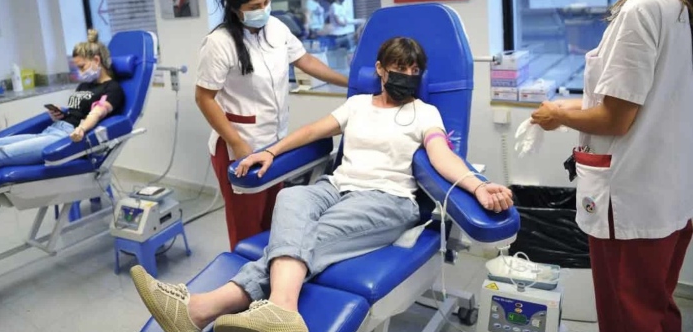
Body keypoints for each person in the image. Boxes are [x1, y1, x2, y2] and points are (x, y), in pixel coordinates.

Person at [134, 37, 514, 332]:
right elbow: (314, 130)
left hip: (387, 199)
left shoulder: (423, 112)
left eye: (414, 71)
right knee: (293, 197)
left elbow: (442, 155)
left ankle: (209, 309)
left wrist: (477, 186)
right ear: (380, 70)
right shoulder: (358, 105)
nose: (407, 77)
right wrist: (271, 151)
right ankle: (273, 312)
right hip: (336, 187)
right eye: (399, 69)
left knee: (308, 237)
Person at [531, 0, 693, 331]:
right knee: (656, 308)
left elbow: (616, 118)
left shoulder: (642, 8)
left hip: (630, 198)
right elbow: (646, 96)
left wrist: (559, 115)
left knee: (627, 318)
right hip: (670, 194)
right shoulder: (678, 1)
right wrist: (572, 105)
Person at [195, 0, 349, 251]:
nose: (264, 9)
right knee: (246, 229)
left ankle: (268, 284)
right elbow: (204, 98)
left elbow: (307, 62)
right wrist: (237, 142)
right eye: (255, 6)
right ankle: (244, 292)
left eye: (266, 2)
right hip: (237, 146)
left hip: (273, 145)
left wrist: (349, 82)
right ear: (235, 8)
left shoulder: (276, 28)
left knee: (271, 222)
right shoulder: (219, 43)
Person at [0, 29, 124, 181]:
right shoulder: (84, 85)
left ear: (97, 60)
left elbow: (96, 113)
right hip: (51, 131)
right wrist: (60, 114)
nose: (80, 71)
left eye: (81, 66)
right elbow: (76, 112)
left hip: (65, 138)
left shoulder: (112, 88)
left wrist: (81, 129)